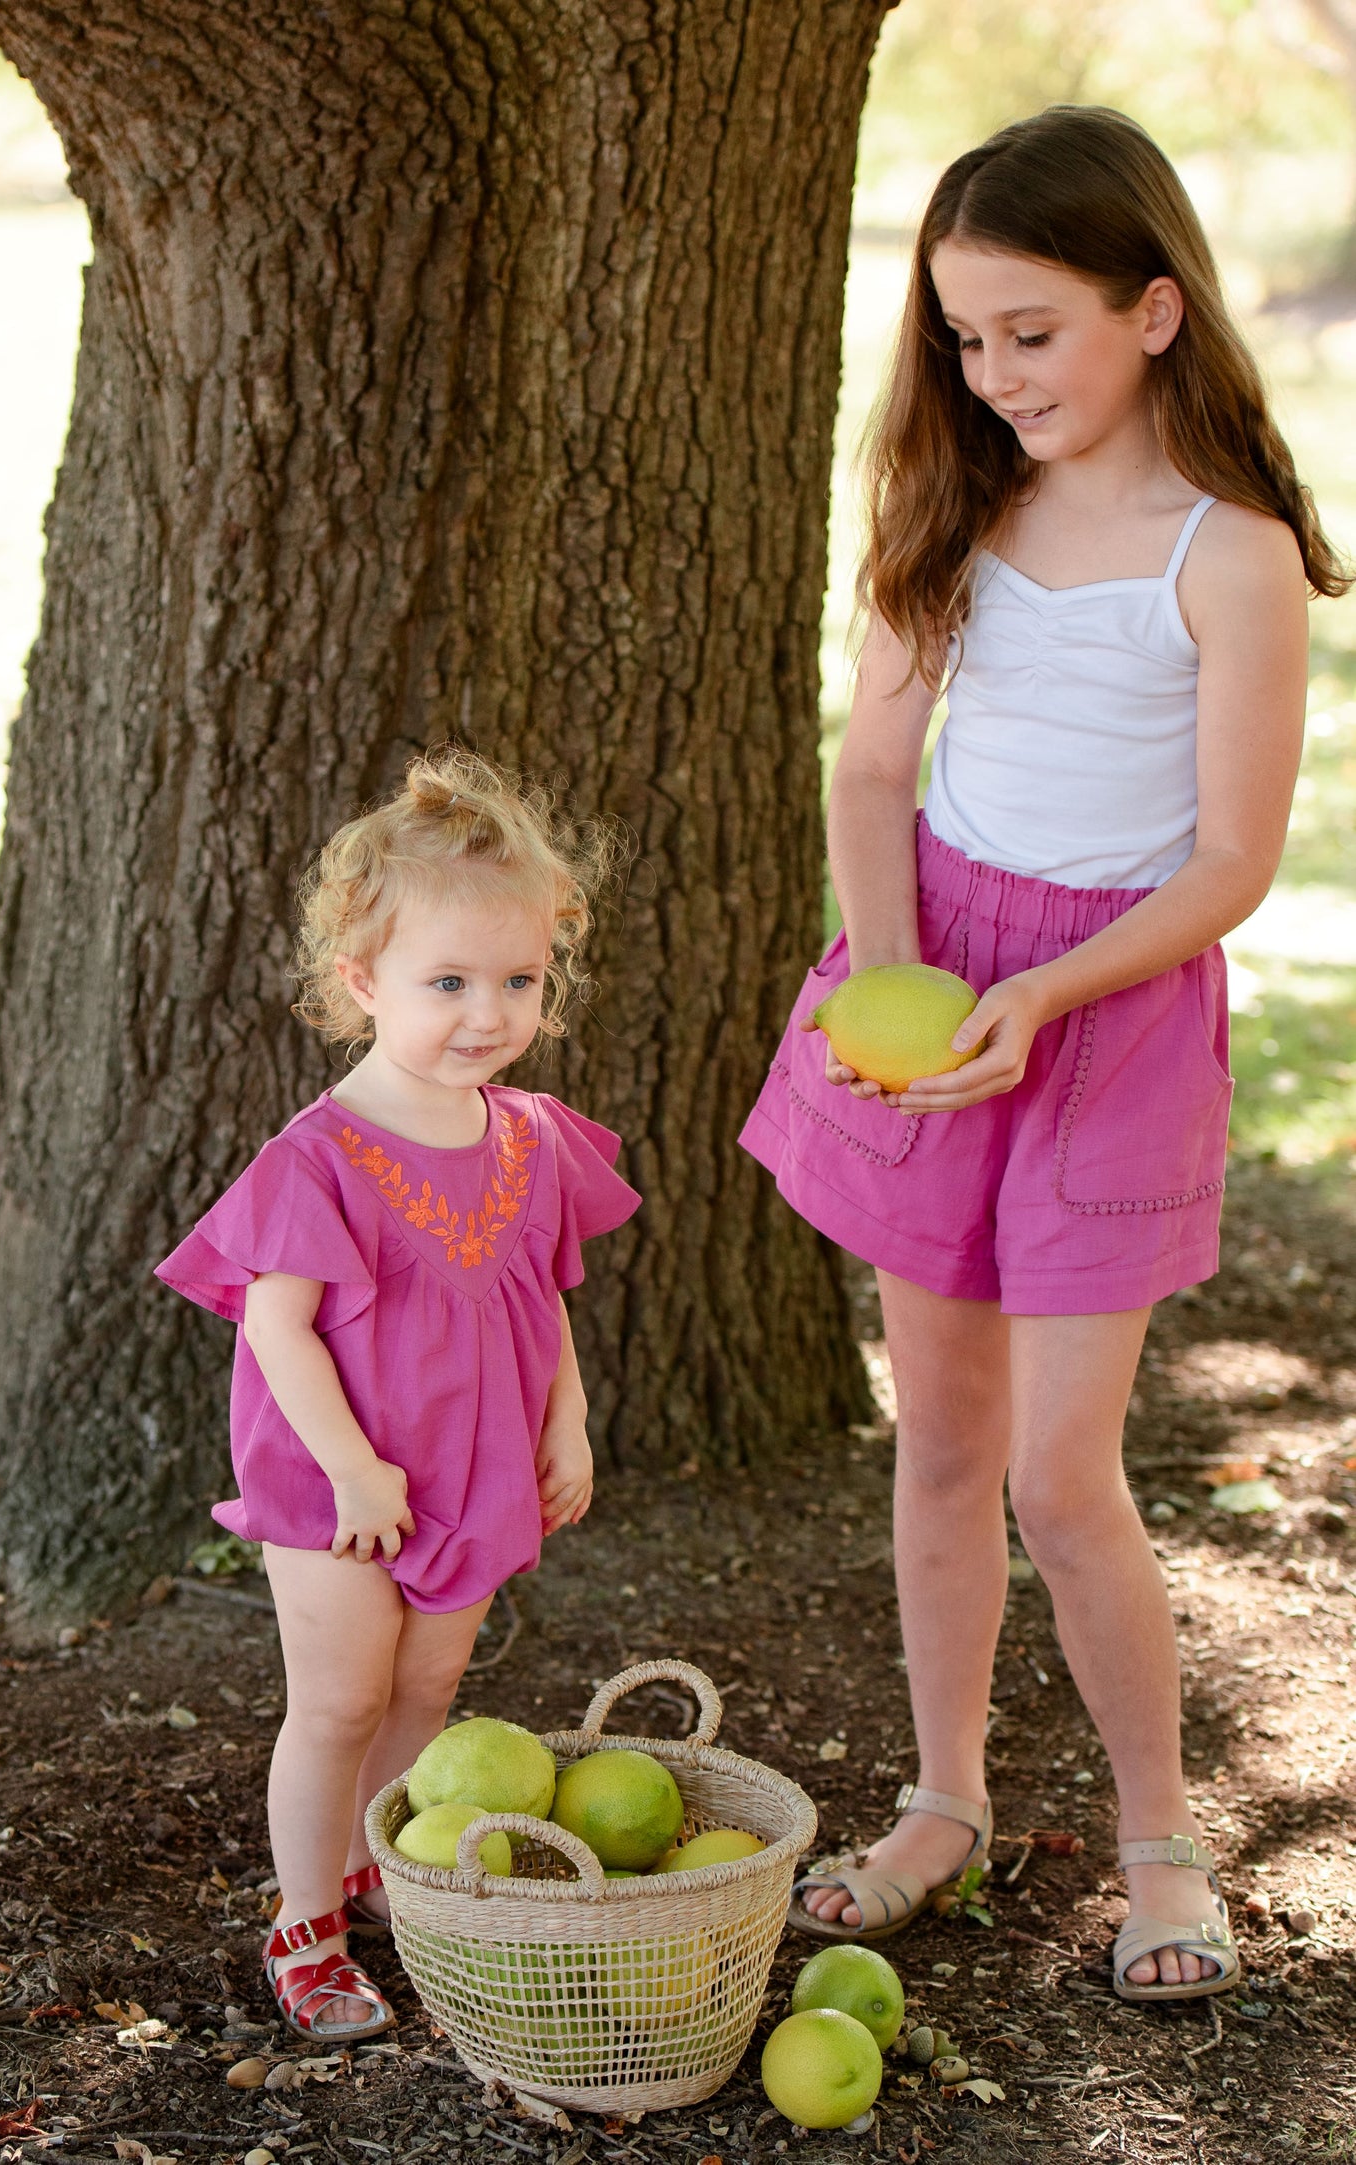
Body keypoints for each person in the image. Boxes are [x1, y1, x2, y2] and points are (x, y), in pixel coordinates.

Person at [741, 105, 1346, 2002]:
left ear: (1153, 312)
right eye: (964, 338)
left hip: (1106, 1019)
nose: (993, 376)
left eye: (1033, 332)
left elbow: (1232, 866)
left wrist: (1037, 1003)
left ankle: (1162, 1844)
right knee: (940, 1443)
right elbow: (867, 771)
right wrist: (906, 991)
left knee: (1060, 1475)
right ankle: (943, 1800)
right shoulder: (953, 508)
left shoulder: (1223, 556)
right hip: (931, 984)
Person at [155, 747, 638, 2039]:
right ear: (362, 981)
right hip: (337, 1478)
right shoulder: (319, 1159)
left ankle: (374, 1863)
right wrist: (356, 1468)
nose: (487, 1013)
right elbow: (280, 1328)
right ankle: (303, 1926)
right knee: (342, 1699)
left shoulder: (530, 1135)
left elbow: (544, 1298)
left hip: (472, 1463)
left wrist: (566, 1418)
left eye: (517, 981)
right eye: (447, 982)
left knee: (427, 1691)